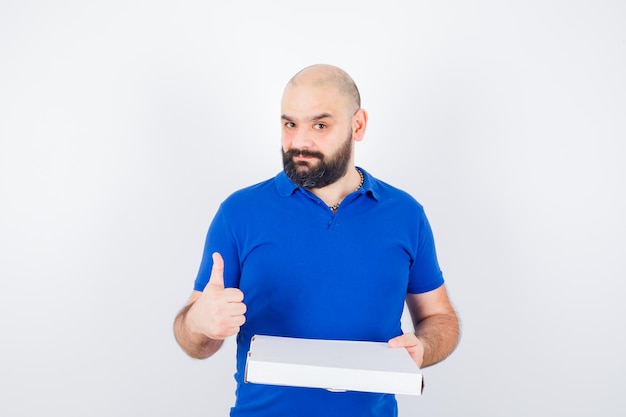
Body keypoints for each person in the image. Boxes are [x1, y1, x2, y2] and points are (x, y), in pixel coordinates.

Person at [174, 64, 460, 417]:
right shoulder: (239, 213)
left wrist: (423, 347)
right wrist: (200, 322)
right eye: (289, 124)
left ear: (358, 125)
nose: (299, 142)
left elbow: (439, 316)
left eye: (320, 125)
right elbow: (193, 339)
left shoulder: (405, 214)